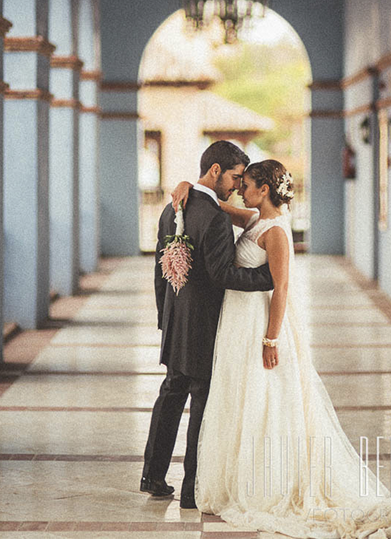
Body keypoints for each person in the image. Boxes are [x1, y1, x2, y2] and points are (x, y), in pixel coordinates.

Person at [171, 160, 391, 538]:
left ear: (265, 190)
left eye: (248, 184)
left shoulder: (276, 232)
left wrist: (271, 339)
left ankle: (268, 482)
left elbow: (282, 287)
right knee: (240, 396)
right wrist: (186, 184)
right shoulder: (254, 218)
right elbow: (216, 204)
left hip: (259, 323)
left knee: (264, 397)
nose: (241, 188)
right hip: (238, 323)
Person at [141, 139, 275, 507]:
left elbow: (160, 273)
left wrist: (164, 319)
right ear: (215, 170)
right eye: (234, 177)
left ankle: (152, 475)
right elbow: (221, 275)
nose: (236, 186)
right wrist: (269, 277)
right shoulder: (214, 217)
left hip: (175, 321)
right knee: (202, 403)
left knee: (171, 393)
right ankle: (191, 490)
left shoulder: (173, 208)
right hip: (203, 327)